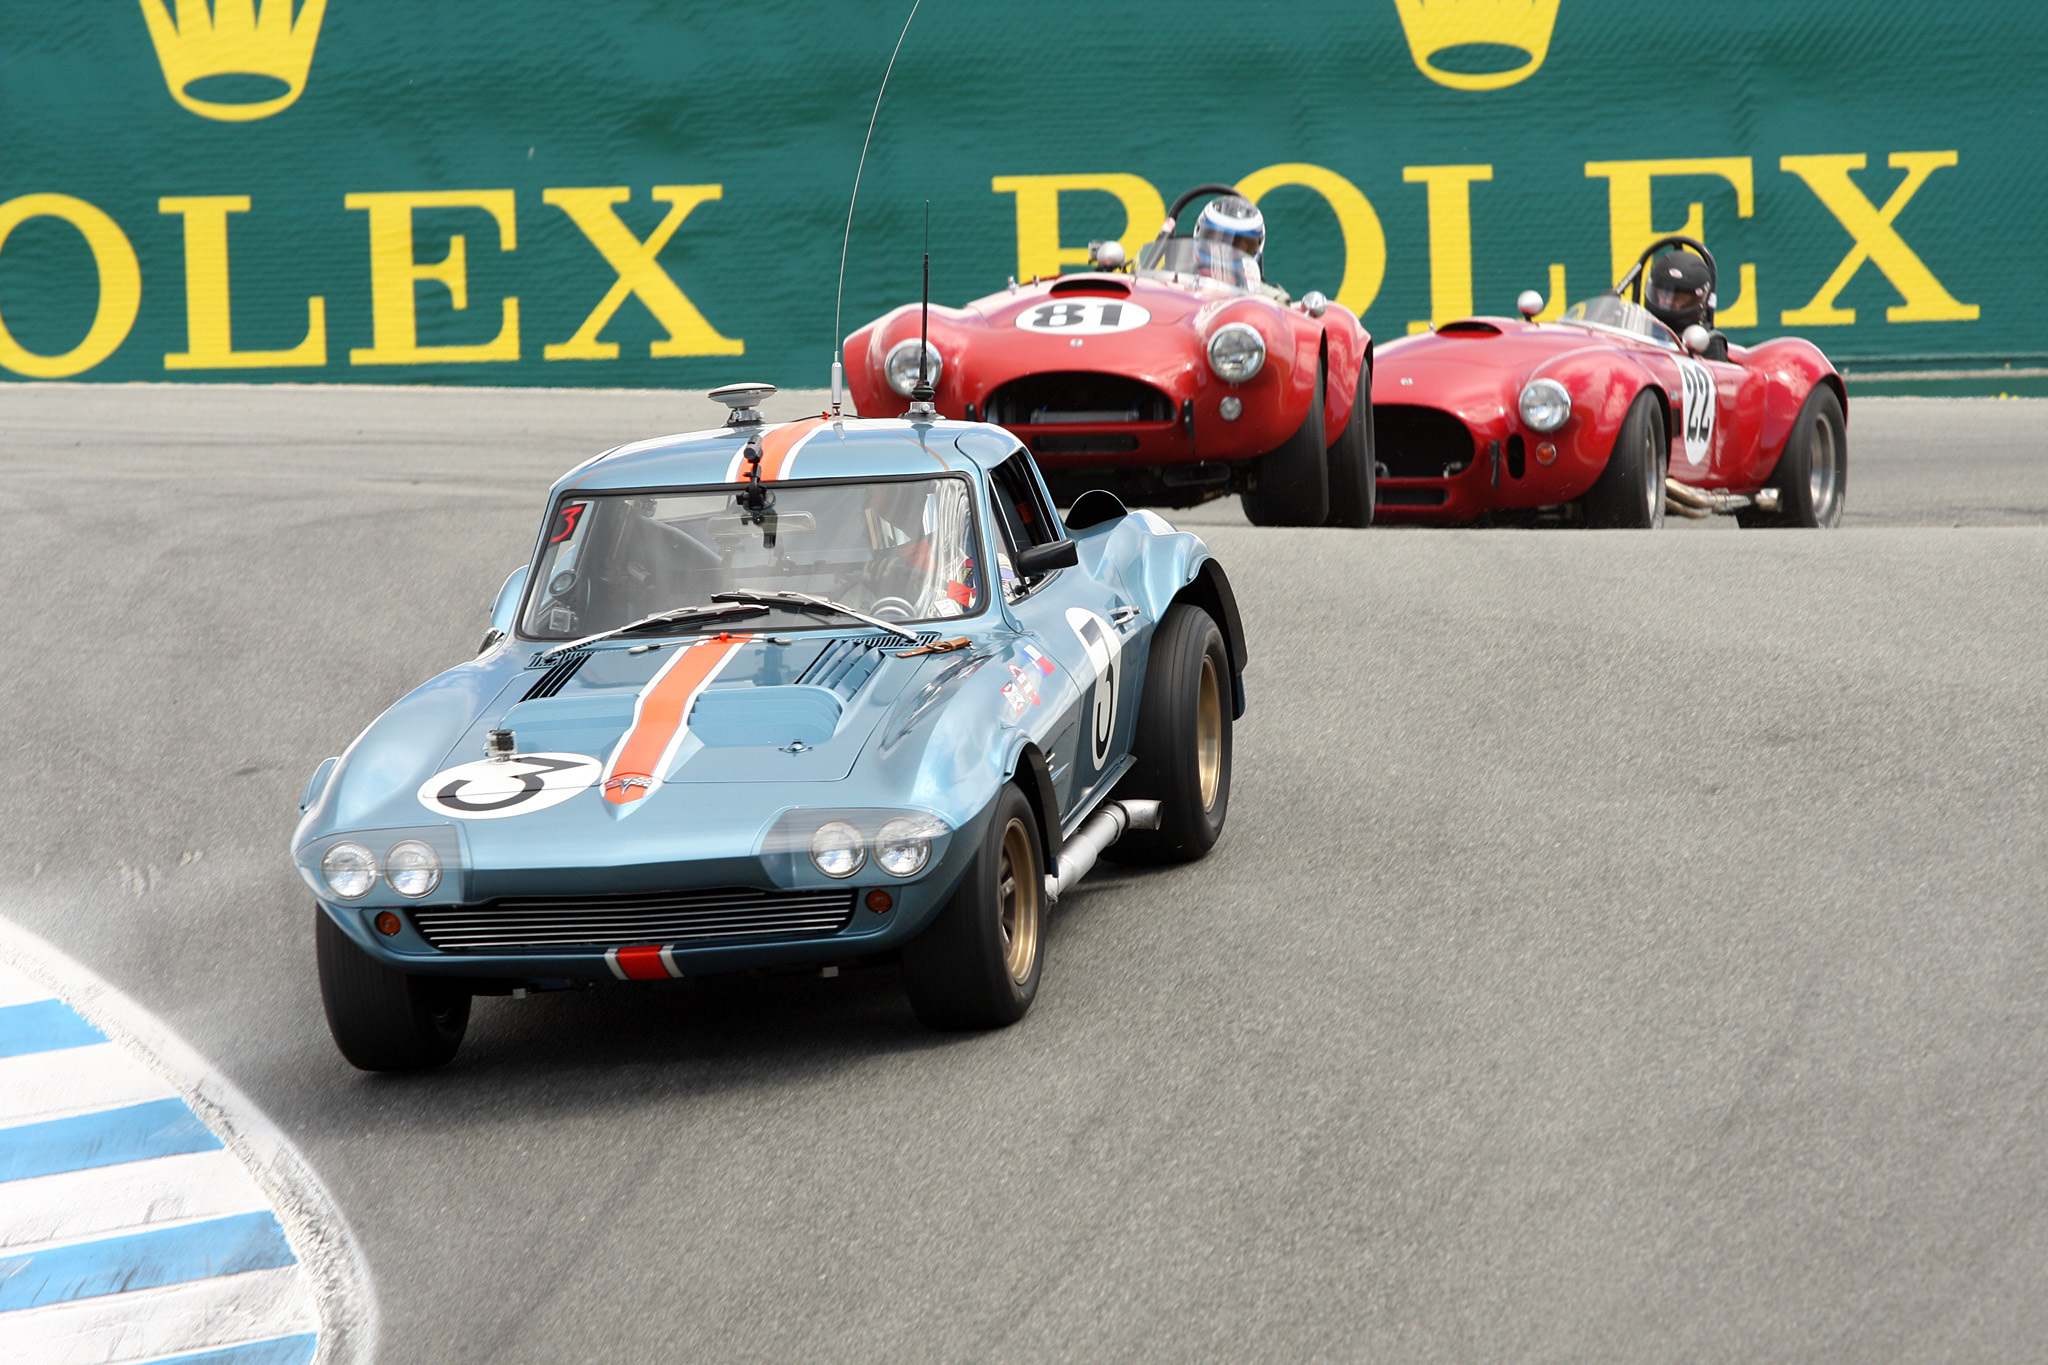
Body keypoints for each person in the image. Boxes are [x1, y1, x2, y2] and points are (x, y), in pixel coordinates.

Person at [1192, 195, 1266, 291]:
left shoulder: (1268, 298)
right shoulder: (1180, 280)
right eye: (1217, 240)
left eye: (1236, 244)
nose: (1225, 252)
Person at [1643, 250, 1713, 335]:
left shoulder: (1707, 344)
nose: (1668, 301)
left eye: (1680, 298)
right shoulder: (1636, 331)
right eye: (1663, 294)